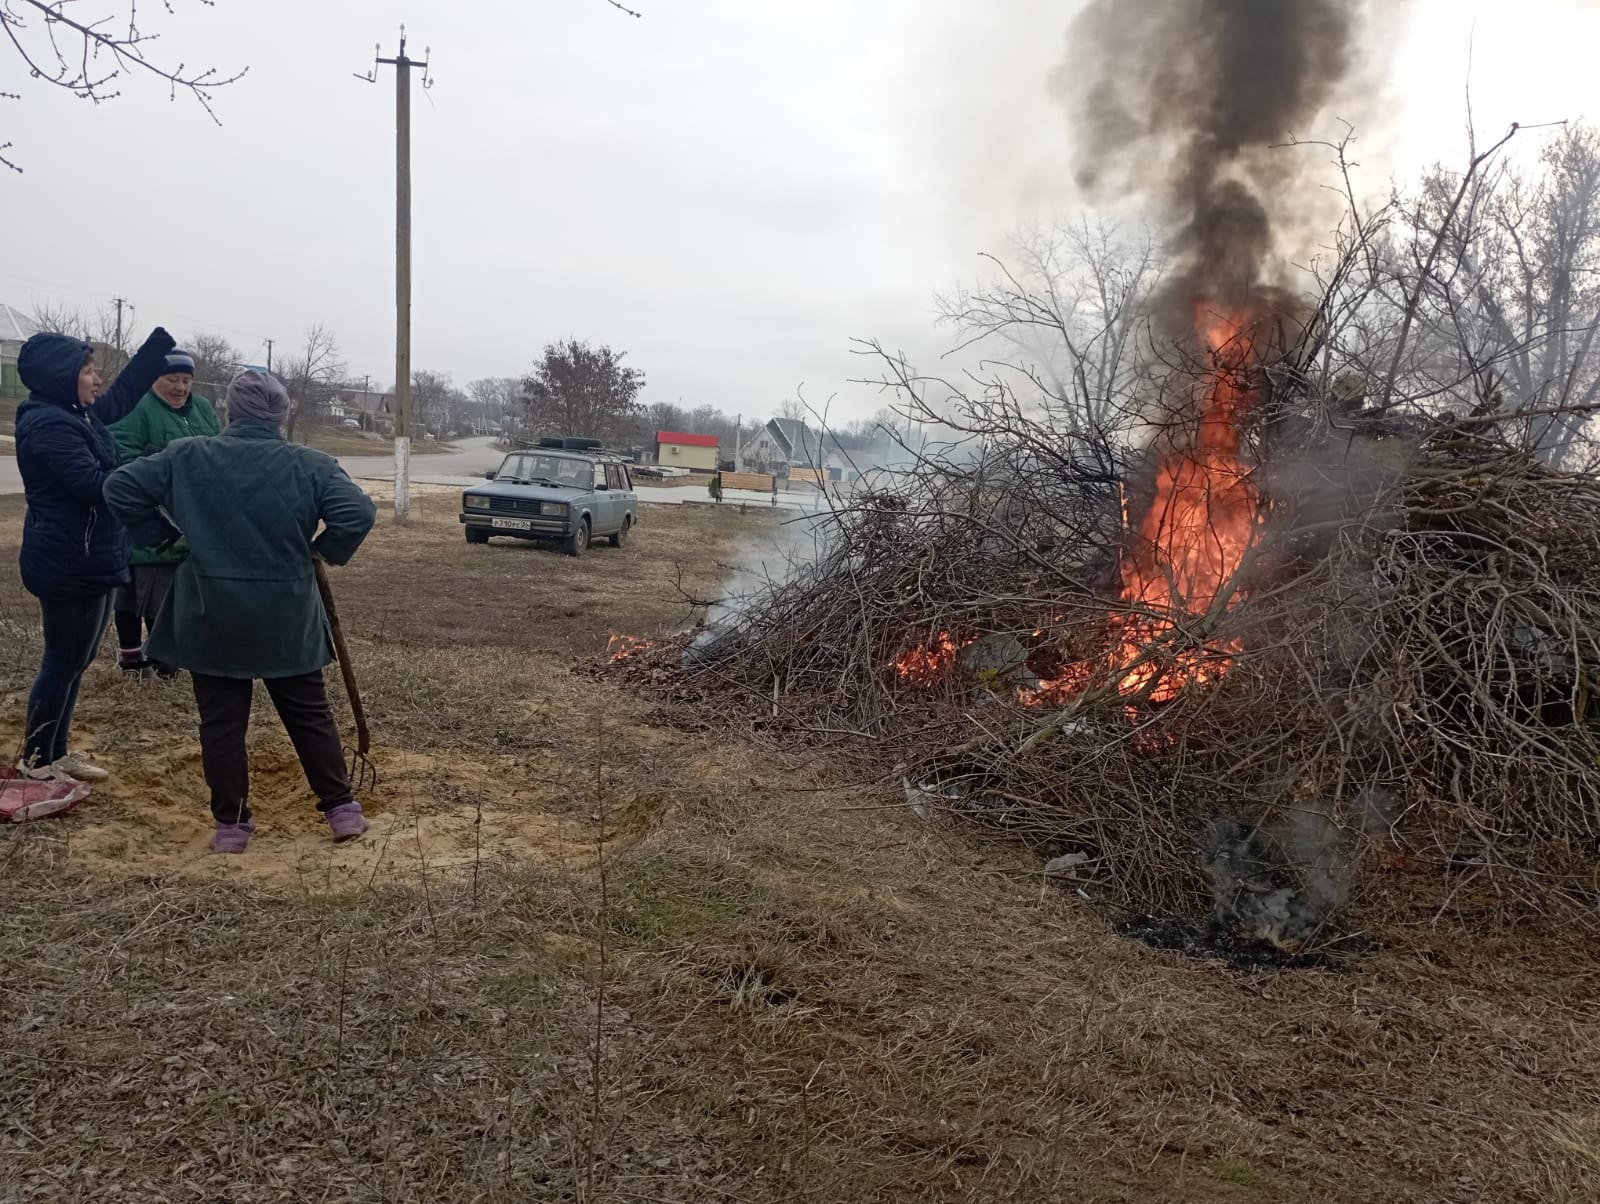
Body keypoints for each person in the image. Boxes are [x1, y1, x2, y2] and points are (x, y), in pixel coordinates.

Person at [103, 370, 379, 853]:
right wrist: (321, 549)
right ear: (282, 414)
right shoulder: (312, 464)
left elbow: (119, 488)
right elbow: (357, 513)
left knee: (221, 722)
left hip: (212, 613)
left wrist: (163, 535)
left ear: (228, 410)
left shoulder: (188, 456)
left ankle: (230, 826)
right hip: (287, 618)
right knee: (309, 714)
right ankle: (341, 810)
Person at [13, 326, 177, 784]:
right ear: (61, 376)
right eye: (87, 369)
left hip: (96, 555)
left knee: (76, 663)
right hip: (69, 560)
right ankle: (37, 759)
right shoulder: (49, 424)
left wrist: (154, 351)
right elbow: (93, 484)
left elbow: (122, 396)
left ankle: (56, 752)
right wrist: (158, 467)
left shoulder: (77, 414)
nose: (96, 378)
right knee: (61, 662)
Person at [108, 349, 222, 678]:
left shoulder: (201, 408)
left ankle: (166, 657)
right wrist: (162, 468)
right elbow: (120, 457)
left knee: (175, 591)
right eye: (172, 379)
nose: (180, 387)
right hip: (148, 514)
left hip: (193, 515)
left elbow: (218, 447)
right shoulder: (136, 408)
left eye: (186, 380)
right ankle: (137, 660)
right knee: (138, 590)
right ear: (153, 379)